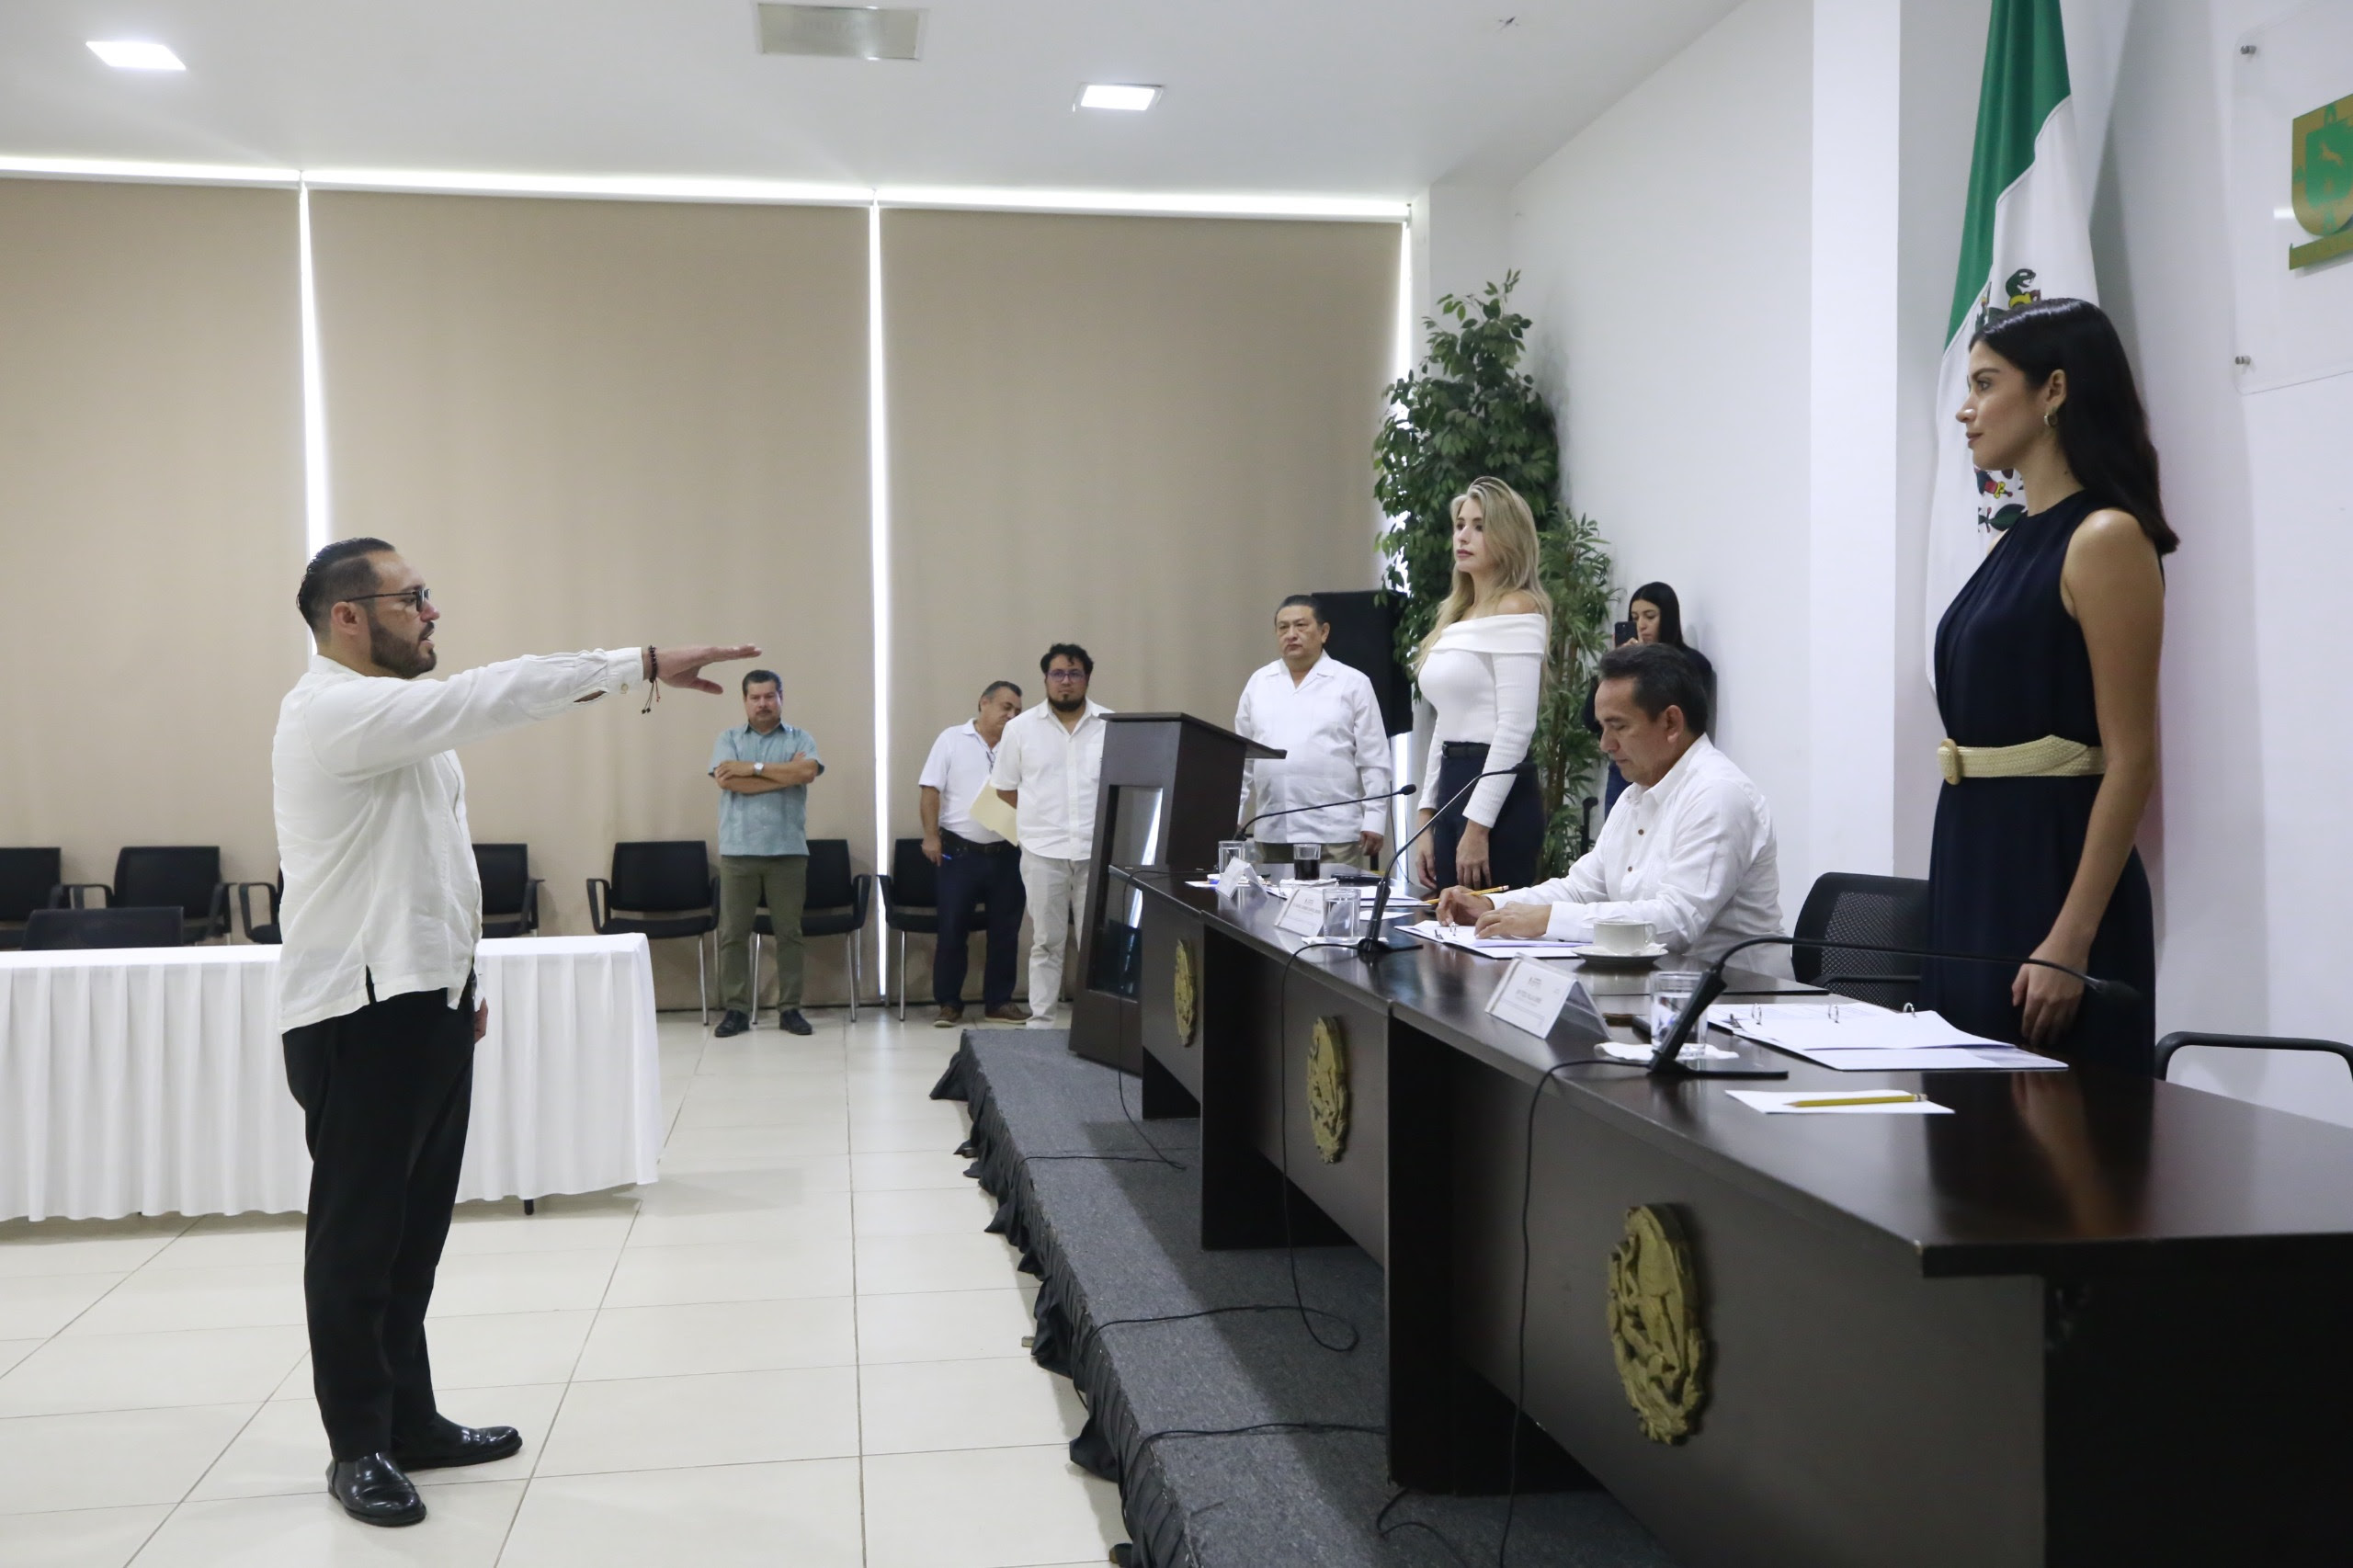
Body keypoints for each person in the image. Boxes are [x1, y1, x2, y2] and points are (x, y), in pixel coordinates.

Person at [273, 537, 751, 1528]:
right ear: (347, 616)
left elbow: (427, 865)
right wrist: (637, 664)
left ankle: (410, 1421)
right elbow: (494, 695)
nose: (432, 612)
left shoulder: (396, 716)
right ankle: (357, 1444)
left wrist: (461, 979)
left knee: (413, 1238)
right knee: (357, 1243)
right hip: (359, 1014)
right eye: (412, 598)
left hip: (424, 1002)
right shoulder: (335, 712)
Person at [1929, 297, 2168, 1070]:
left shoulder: (2105, 537)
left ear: (2054, 390)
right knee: (1965, 1116)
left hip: (2051, 870)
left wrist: (2071, 938)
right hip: (1974, 855)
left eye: (1985, 383)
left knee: (2055, 1123)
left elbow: (2131, 759)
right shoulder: (2012, 542)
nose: (1966, 411)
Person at [1434, 642, 1784, 967]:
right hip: (1658, 985)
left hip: (1735, 995)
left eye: (1618, 726)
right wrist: (1491, 905)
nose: (1605, 744)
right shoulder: (1637, 793)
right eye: (1602, 728)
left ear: (1671, 722)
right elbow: (1580, 888)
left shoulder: (1717, 794)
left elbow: (1676, 922)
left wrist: (1548, 919)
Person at [1411, 476, 1550, 892]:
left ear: (1508, 537)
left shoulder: (1517, 607)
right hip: (1454, 778)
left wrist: (1478, 826)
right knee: (1444, 919)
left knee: (1486, 923)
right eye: (1459, 525)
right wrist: (1426, 814)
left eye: (1479, 526)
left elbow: (1516, 727)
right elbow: (1446, 720)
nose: (1463, 536)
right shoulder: (1457, 615)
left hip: (1496, 787)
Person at [991, 643, 1112, 1028]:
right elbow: (1004, 789)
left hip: (1096, 851)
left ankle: (1098, 1024)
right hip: (1043, 851)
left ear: (1086, 679)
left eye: (1074, 674)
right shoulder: (1020, 729)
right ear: (1045, 679)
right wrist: (1036, 823)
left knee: (1097, 942)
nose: (1065, 682)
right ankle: (1042, 1022)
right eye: (1057, 674)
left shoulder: (1112, 725)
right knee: (1046, 941)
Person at [1233, 594, 1392, 870]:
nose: (1291, 635)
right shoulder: (1259, 682)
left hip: (1334, 832)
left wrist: (1375, 818)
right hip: (1273, 829)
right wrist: (1233, 813)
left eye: (1301, 625)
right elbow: (1240, 758)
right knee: (1274, 898)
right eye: (1283, 627)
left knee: (1336, 898)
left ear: (1324, 632)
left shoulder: (1352, 682)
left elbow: (1374, 758)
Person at [710, 670, 823, 1038]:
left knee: (789, 934)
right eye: (755, 698)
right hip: (738, 851)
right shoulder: (728, 739)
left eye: (769, 696)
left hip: (787, 850)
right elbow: (729, 781)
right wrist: (783, 774)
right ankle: (737, 1010)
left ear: (781, 698)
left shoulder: (800, 738)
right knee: (733, 934)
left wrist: (753, 769)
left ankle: (790, 1009)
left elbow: (807, 772)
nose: (763, 704)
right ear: (745, 701)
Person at [918, 680, 1029, 1028]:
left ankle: (999, 1001)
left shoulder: (1021, 744)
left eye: (1017, 711)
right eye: (1006, 707)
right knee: (952, 929)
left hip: (1008, 853)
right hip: (960, 852)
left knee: (1005, 931)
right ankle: (949, 1003)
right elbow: (930, 790)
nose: (1011, 716)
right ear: (984, 703)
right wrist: (930, 836)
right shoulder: (952, 739)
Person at [1584, 583, 1717, 814]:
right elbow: (1589, 720)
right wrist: (1617, 666)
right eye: (1634, 618)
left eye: (1650, 616)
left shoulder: (1691, 664)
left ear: (1668, 618)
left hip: (1669, 769)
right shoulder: (1624, 668)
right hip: (1625, 769)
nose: (1641, 625)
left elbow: (1689, 720)